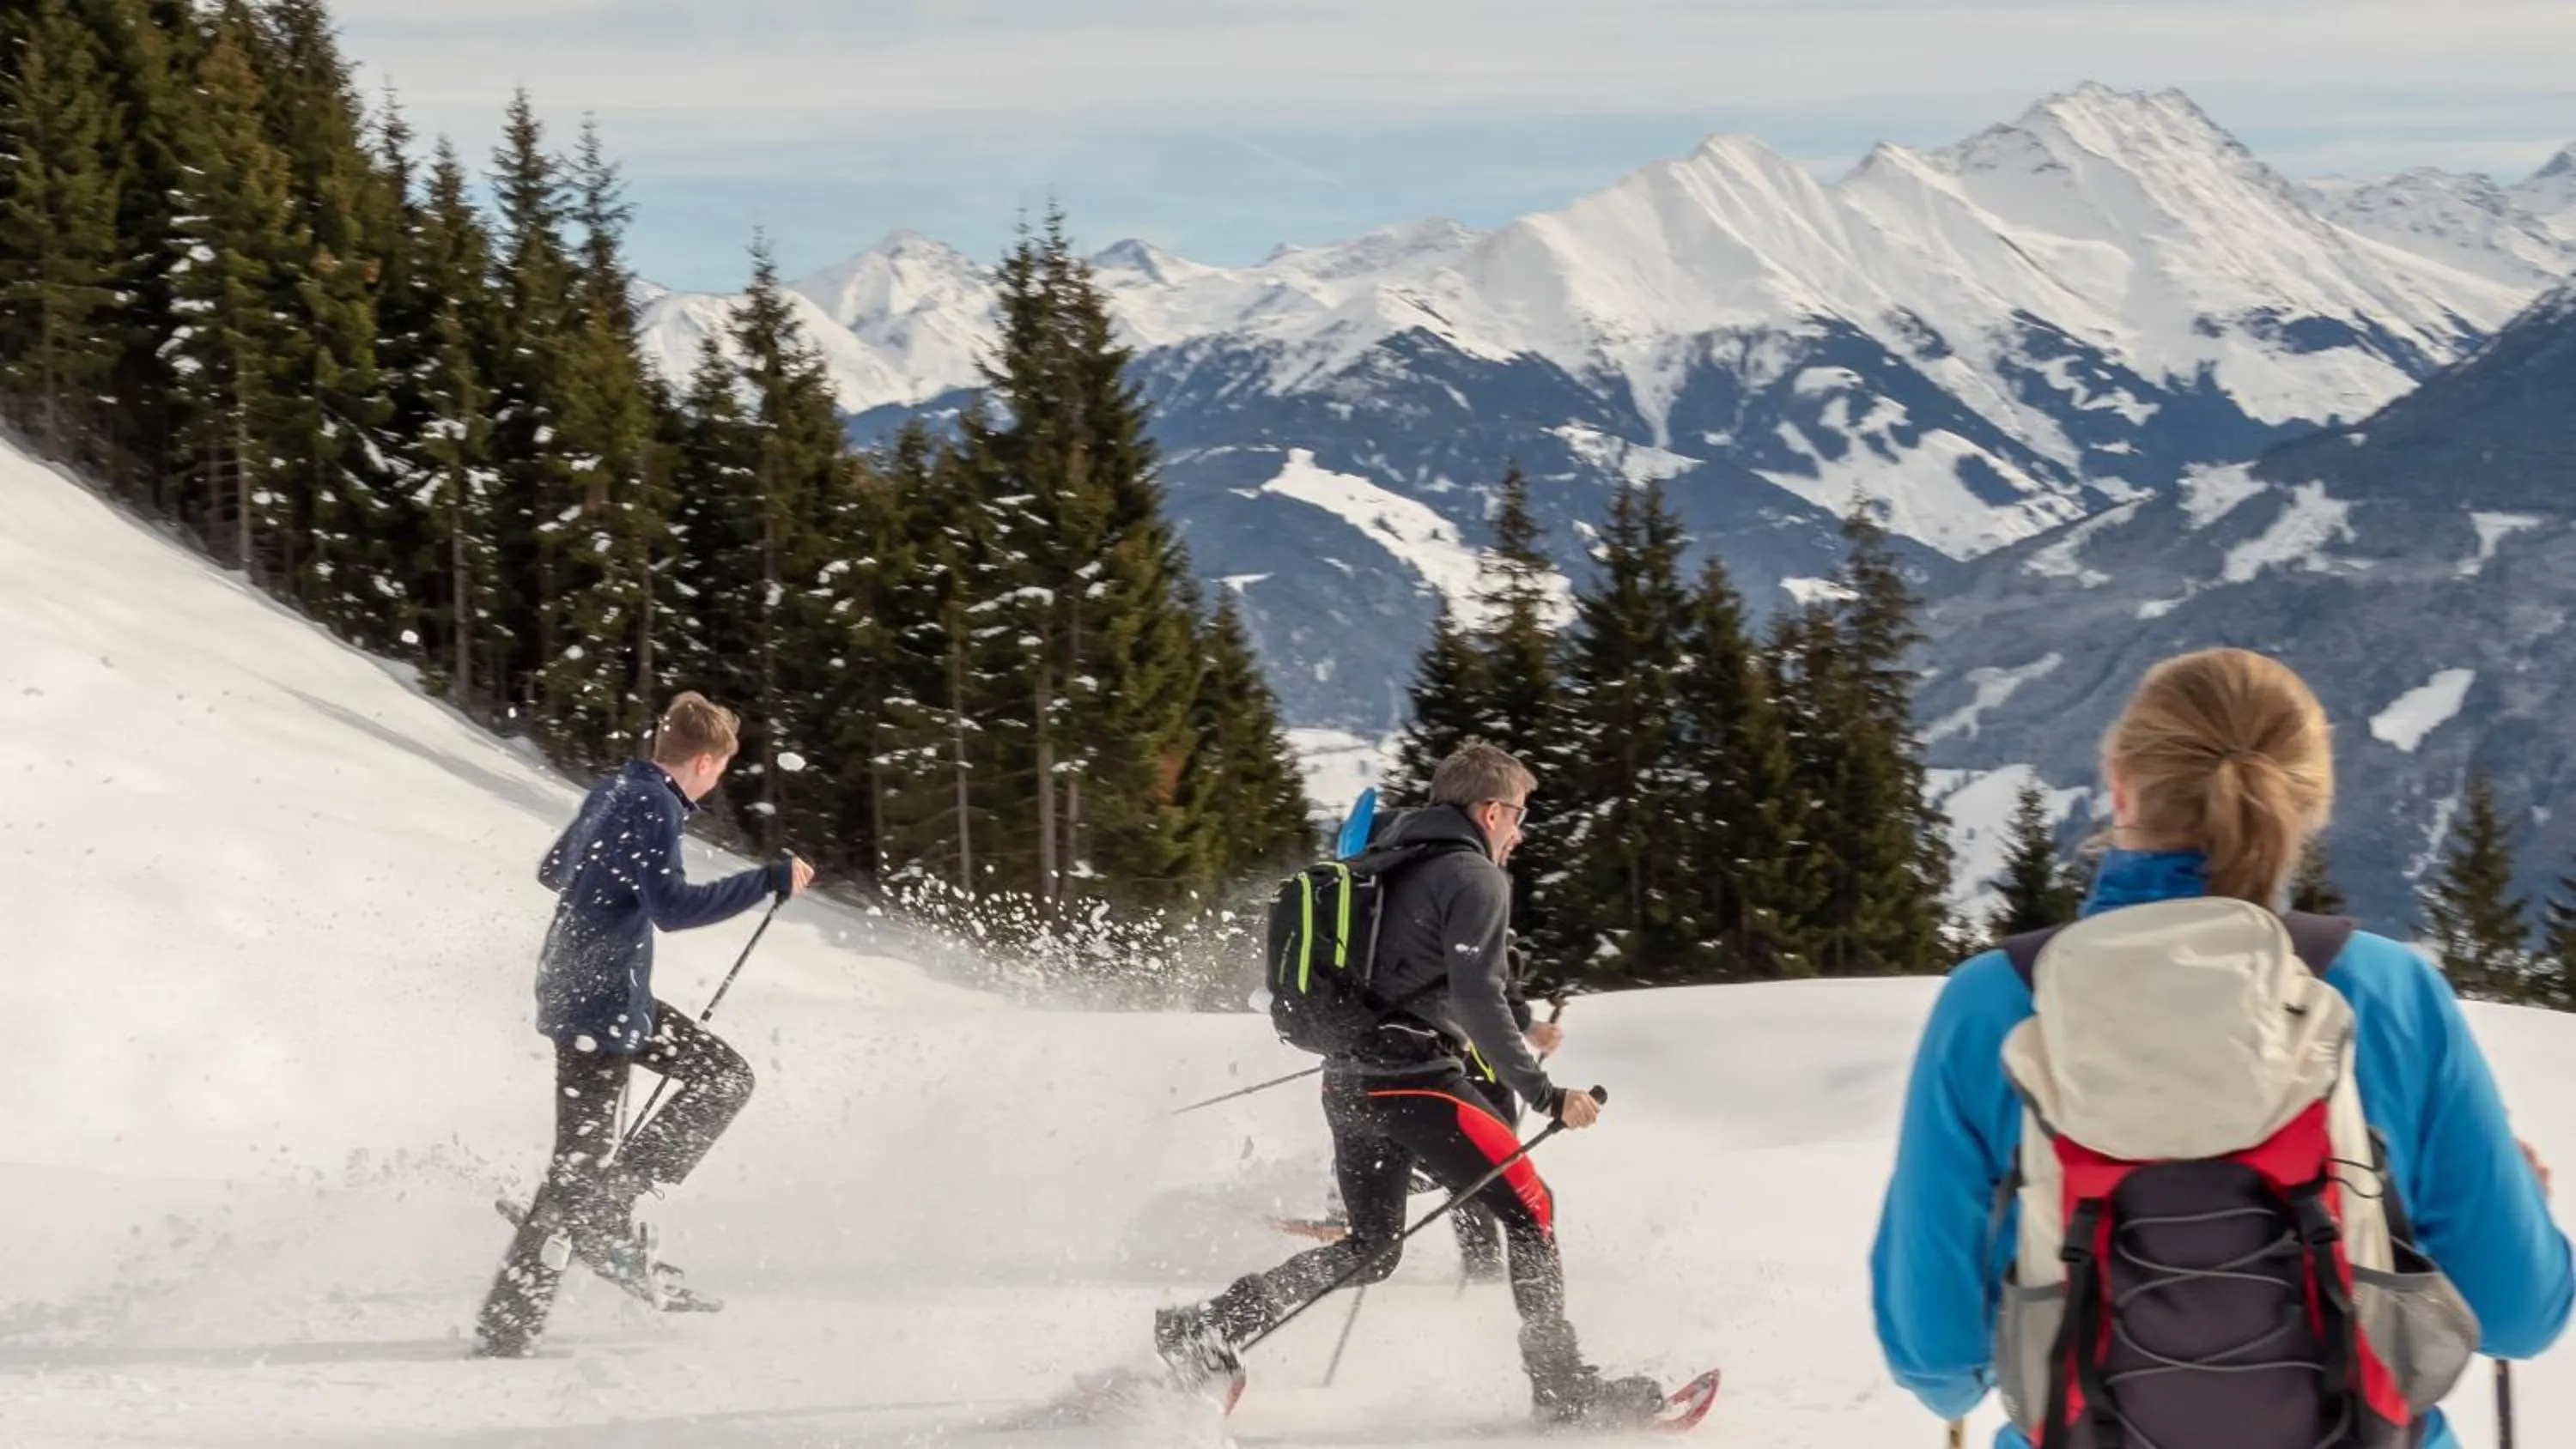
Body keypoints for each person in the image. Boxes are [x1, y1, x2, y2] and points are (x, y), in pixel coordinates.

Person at [1869, 648, 2573, 1447]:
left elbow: (1937, 1361)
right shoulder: (2389, 995)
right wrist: (2515, 1197)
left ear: (2120, 786)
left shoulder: (1995, 1004)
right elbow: (2519, 1318)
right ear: (2305, 809)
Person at [1156, 741, 1666, 1427]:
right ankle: (1561, 1387)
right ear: (1489, 810)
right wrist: (1545, 1093)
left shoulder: (1383, 858)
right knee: (1532, 1209)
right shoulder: (1473, 876)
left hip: (1348, 1082)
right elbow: (1482, 999)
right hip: (1414, 1082)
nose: (1519, 832)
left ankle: (1208, 1325)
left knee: (1371, 1249)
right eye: (1518, 816)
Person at [474, 691, 813, 1357]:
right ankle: (519, 1316)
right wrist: (766, 880)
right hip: (602, 998)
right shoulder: (653, 802)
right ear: (706, 761)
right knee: (587, 1161)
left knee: (714, 1080)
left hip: (585, 986)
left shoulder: (615, 789)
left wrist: (606, 892)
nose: (715, 783)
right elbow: (674, 908)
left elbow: (553, 870)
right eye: (719, 770)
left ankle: (543, 1279)